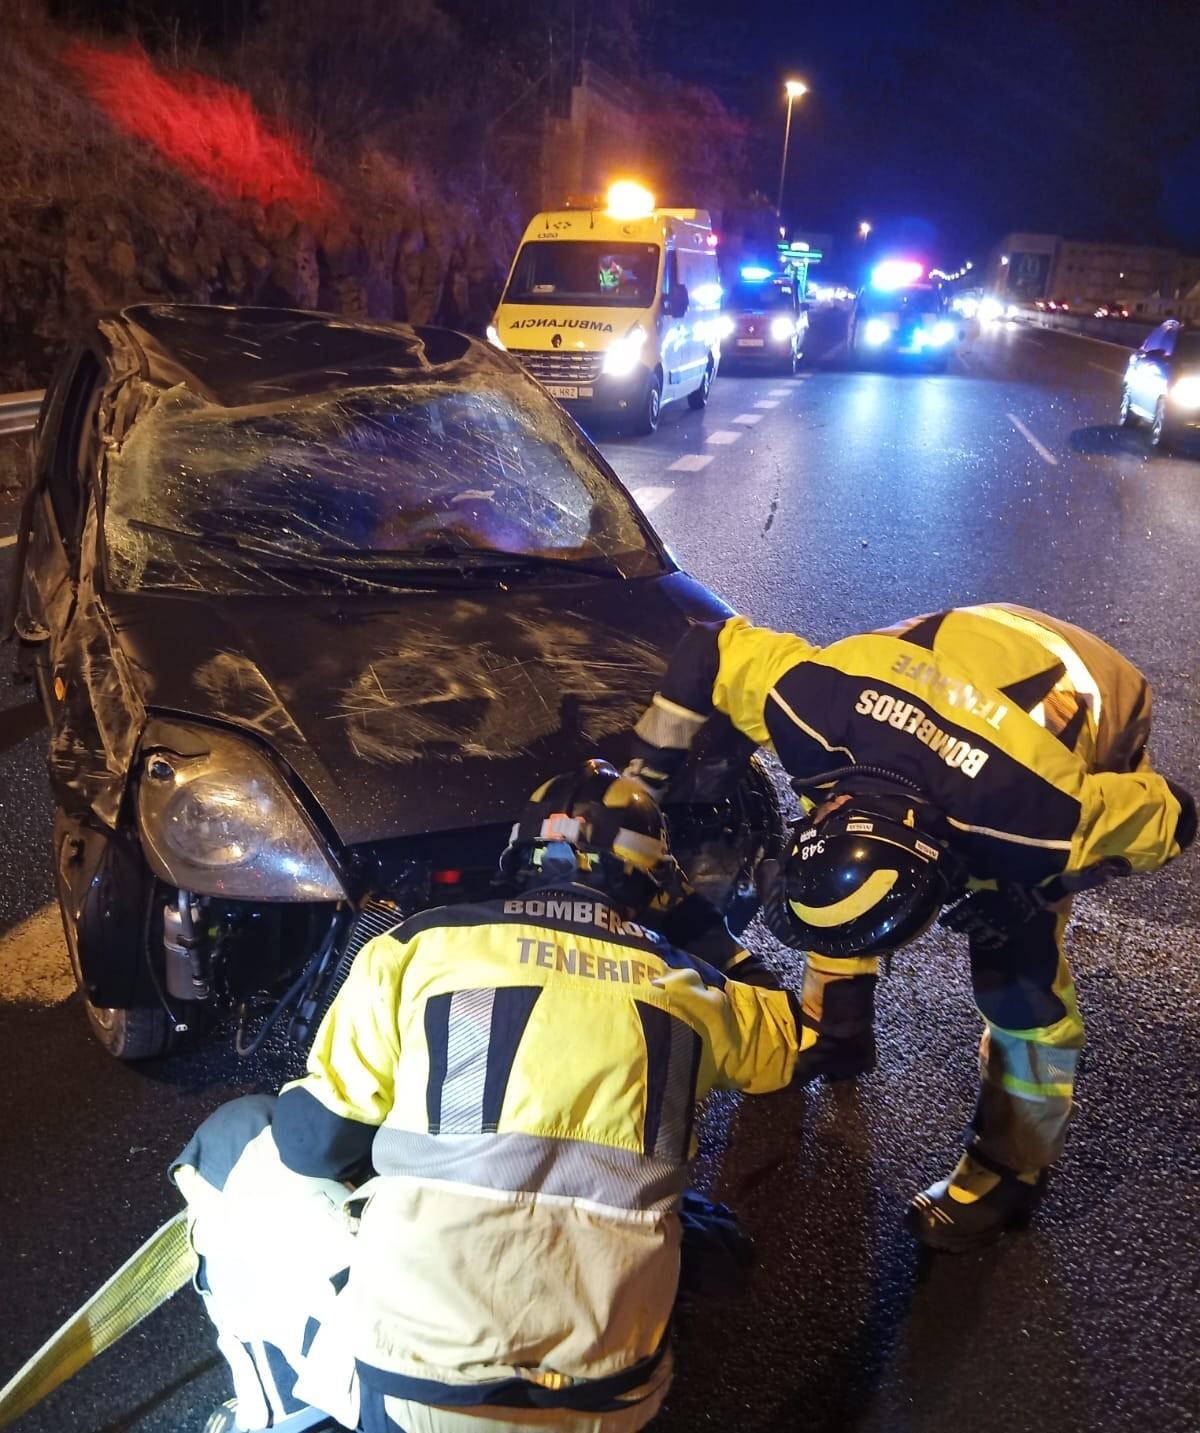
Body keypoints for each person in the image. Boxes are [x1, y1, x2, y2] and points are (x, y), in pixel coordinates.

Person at [174, 759, 811, 1433]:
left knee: (233, 1135)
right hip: (618, 1404)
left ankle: (269, 1406)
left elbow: (311, 1145)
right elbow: (795, 1036)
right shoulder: (693, 984)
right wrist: (695, 923)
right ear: (657, 882)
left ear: (519, 855)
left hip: (414, 1397)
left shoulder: (420, 945)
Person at [625, 605, 1195, 1253]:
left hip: (1085, 683)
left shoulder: (1042, 819)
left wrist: (1034, 888)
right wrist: (637, 792)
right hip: (934, 673)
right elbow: (709, 647)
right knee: (835, 890)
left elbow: (1175, 816)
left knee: (1018, 975)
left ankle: (1013, 1165)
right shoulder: (806, 705)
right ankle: (835, 1020)